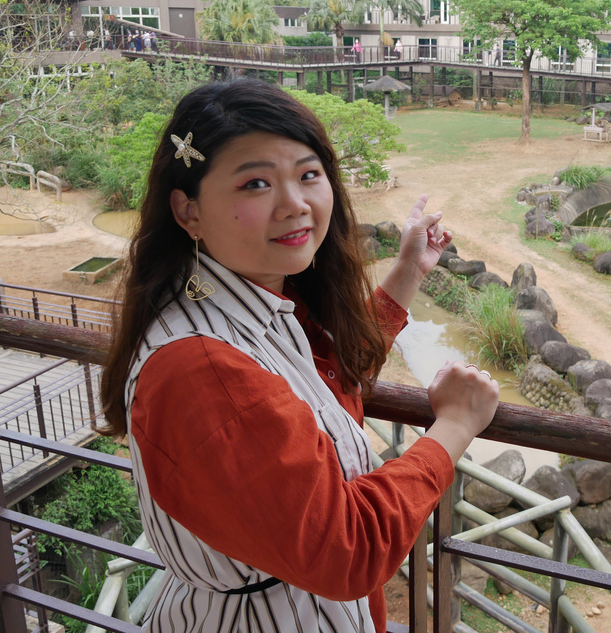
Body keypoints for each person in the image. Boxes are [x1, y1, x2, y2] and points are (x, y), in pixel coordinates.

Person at [98, 79, 499, 633]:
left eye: (309, 175)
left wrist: (408, 271)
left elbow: (324, 384)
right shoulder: (205, 372)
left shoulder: (242, 304)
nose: (296, 205)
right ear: (188, 211)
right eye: (256, 183)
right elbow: (349, 548)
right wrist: (454, 426)